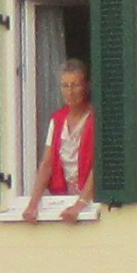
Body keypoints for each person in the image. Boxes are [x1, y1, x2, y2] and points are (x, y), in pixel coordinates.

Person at [26, 53, 103, 219]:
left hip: (90, 202)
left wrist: (81, 203)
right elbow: (47, 164)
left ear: (86, 86)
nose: (70, 91)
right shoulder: (57, 120)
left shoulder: (97, 119)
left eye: (75, 85)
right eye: (65, 86)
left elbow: (100, 165)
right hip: (62, 200)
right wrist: (32, 204)